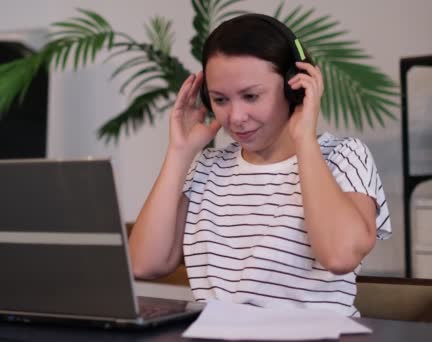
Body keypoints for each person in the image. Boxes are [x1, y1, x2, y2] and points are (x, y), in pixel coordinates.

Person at [128, 13, 392, 317]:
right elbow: (143, 264)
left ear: (295, 88)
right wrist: (179, 152)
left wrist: (304, 139)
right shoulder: (206, 167)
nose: (236, 117)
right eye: (220, 99)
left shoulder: (344, 156)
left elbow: (340, 256)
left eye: (251, 96)